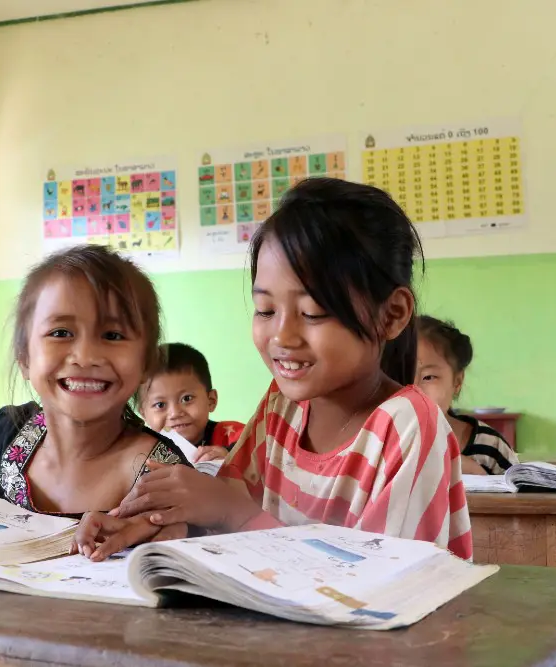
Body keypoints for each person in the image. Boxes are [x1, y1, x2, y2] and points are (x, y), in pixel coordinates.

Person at [74, 178, 471, 561]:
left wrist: (235, 513)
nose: (283, 335)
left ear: (392, 315)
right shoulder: (283, 406)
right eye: (266, 310)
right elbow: (225, 505)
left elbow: (375, 587)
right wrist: (160, 521)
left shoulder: (406, 427)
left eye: (313, 312)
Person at [0, 246, 190, 536]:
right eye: (61, 333)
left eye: (112, 335)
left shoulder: (161, 473)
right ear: (25, 357)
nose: (85, 356)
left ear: (147, 364)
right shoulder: (9, 433)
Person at [415, 315, 518, 475]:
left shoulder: (490, 446)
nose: (413, 390)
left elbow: (520, 496)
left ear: (456, 382)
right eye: (397, 376)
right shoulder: (375, 445)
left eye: (428, 377)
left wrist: (481, 477)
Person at [138, 343, 245, 463]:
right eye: (160, 405)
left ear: (211, 400)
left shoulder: (233, 435)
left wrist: (231, 457)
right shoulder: (144, 455)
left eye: (187, 398)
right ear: (144, 414)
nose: (175, 413)